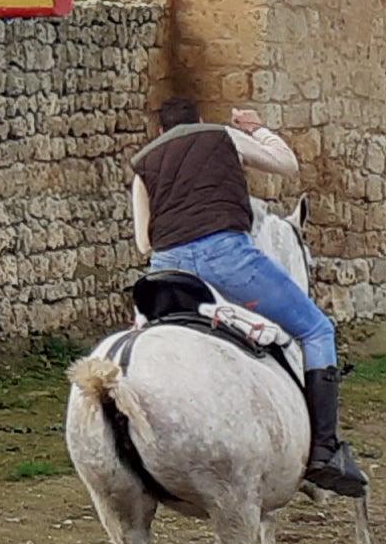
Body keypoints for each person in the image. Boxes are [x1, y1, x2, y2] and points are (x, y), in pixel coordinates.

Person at [130, 96, 363, 497]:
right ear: (200, 119)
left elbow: (142, 243)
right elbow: (287, 165)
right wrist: (257, 129)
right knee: (316, 329)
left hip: (166, 271)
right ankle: (325, 450)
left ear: (159, 132)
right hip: (227, 257)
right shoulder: (221, 135)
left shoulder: (143, 164)